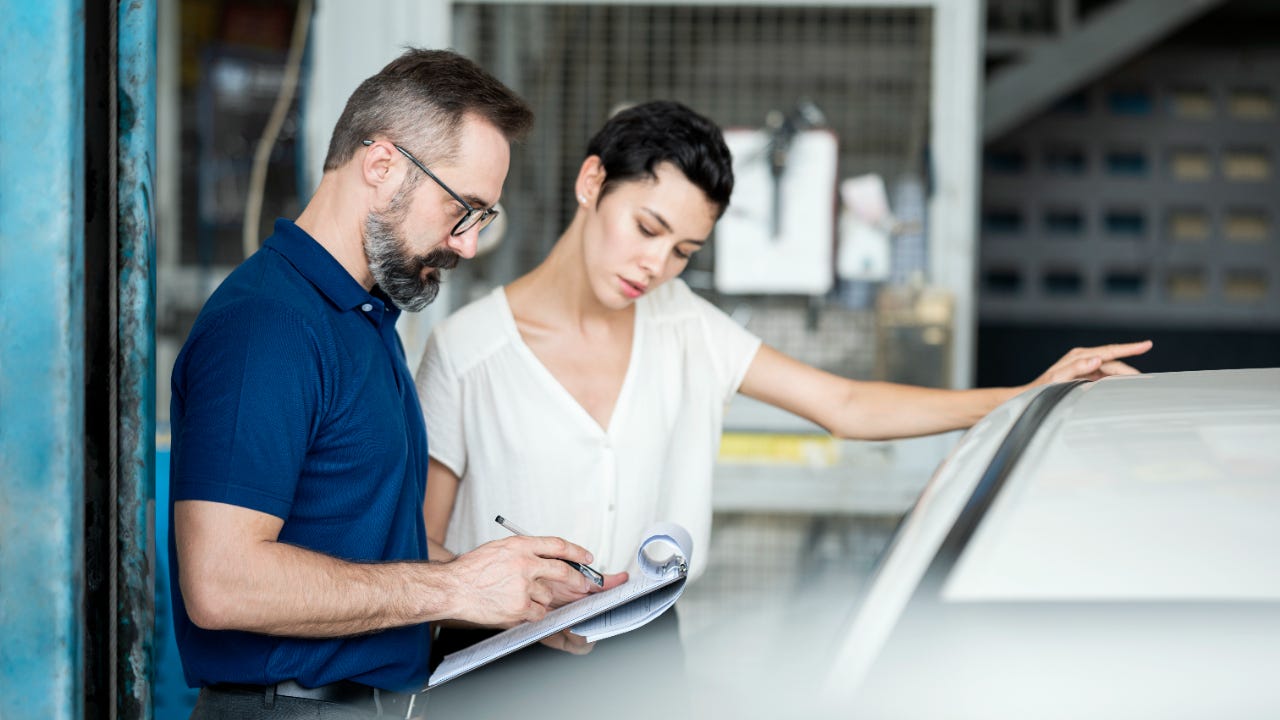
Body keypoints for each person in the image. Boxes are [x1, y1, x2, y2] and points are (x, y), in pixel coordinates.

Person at [416, 100, 1152, 612]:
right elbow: (423, 545)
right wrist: (511, 602)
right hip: (499, 664)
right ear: (591, 184)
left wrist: (1030, 392)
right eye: (646, 227)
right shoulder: (467, 353)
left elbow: (847, 405)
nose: (655, 265)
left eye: (683, 250)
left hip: (644, 651)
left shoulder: (686, 327)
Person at [168, 48, 619, 720]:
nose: (466, 244)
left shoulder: (363, 317)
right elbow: (223, 582)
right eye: (462, 209)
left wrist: (516, 592)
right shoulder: (269, 326)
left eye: (482, 219)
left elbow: (362, 543)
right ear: (381, 165)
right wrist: (454, 590)